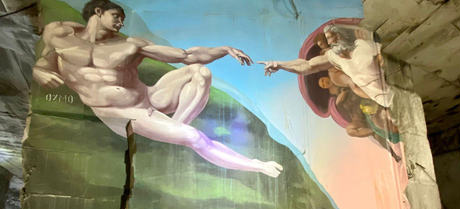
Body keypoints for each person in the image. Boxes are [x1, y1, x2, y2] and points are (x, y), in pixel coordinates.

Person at [33, 0, 283, 178]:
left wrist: (224, 49)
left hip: (148, 98)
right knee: (196, 138)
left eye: (123, 18)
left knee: (200, 72)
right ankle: (256, 165)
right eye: (116, 16)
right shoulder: (60, 33)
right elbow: (46, 60)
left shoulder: (130, 45)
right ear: (98, 12)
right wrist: (39, 71)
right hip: (123, 114)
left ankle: (177, 127)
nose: (121, 22)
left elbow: (186, 55)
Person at [258, 24, 393, 108]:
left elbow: (386, 57)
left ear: (340, 35)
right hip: (384, 100)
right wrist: (280, 64)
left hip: (394, 89)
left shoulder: (363, 46)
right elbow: (308, 66)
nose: (330, 42)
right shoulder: (333, 56)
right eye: (328, 39)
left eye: (331, 37)